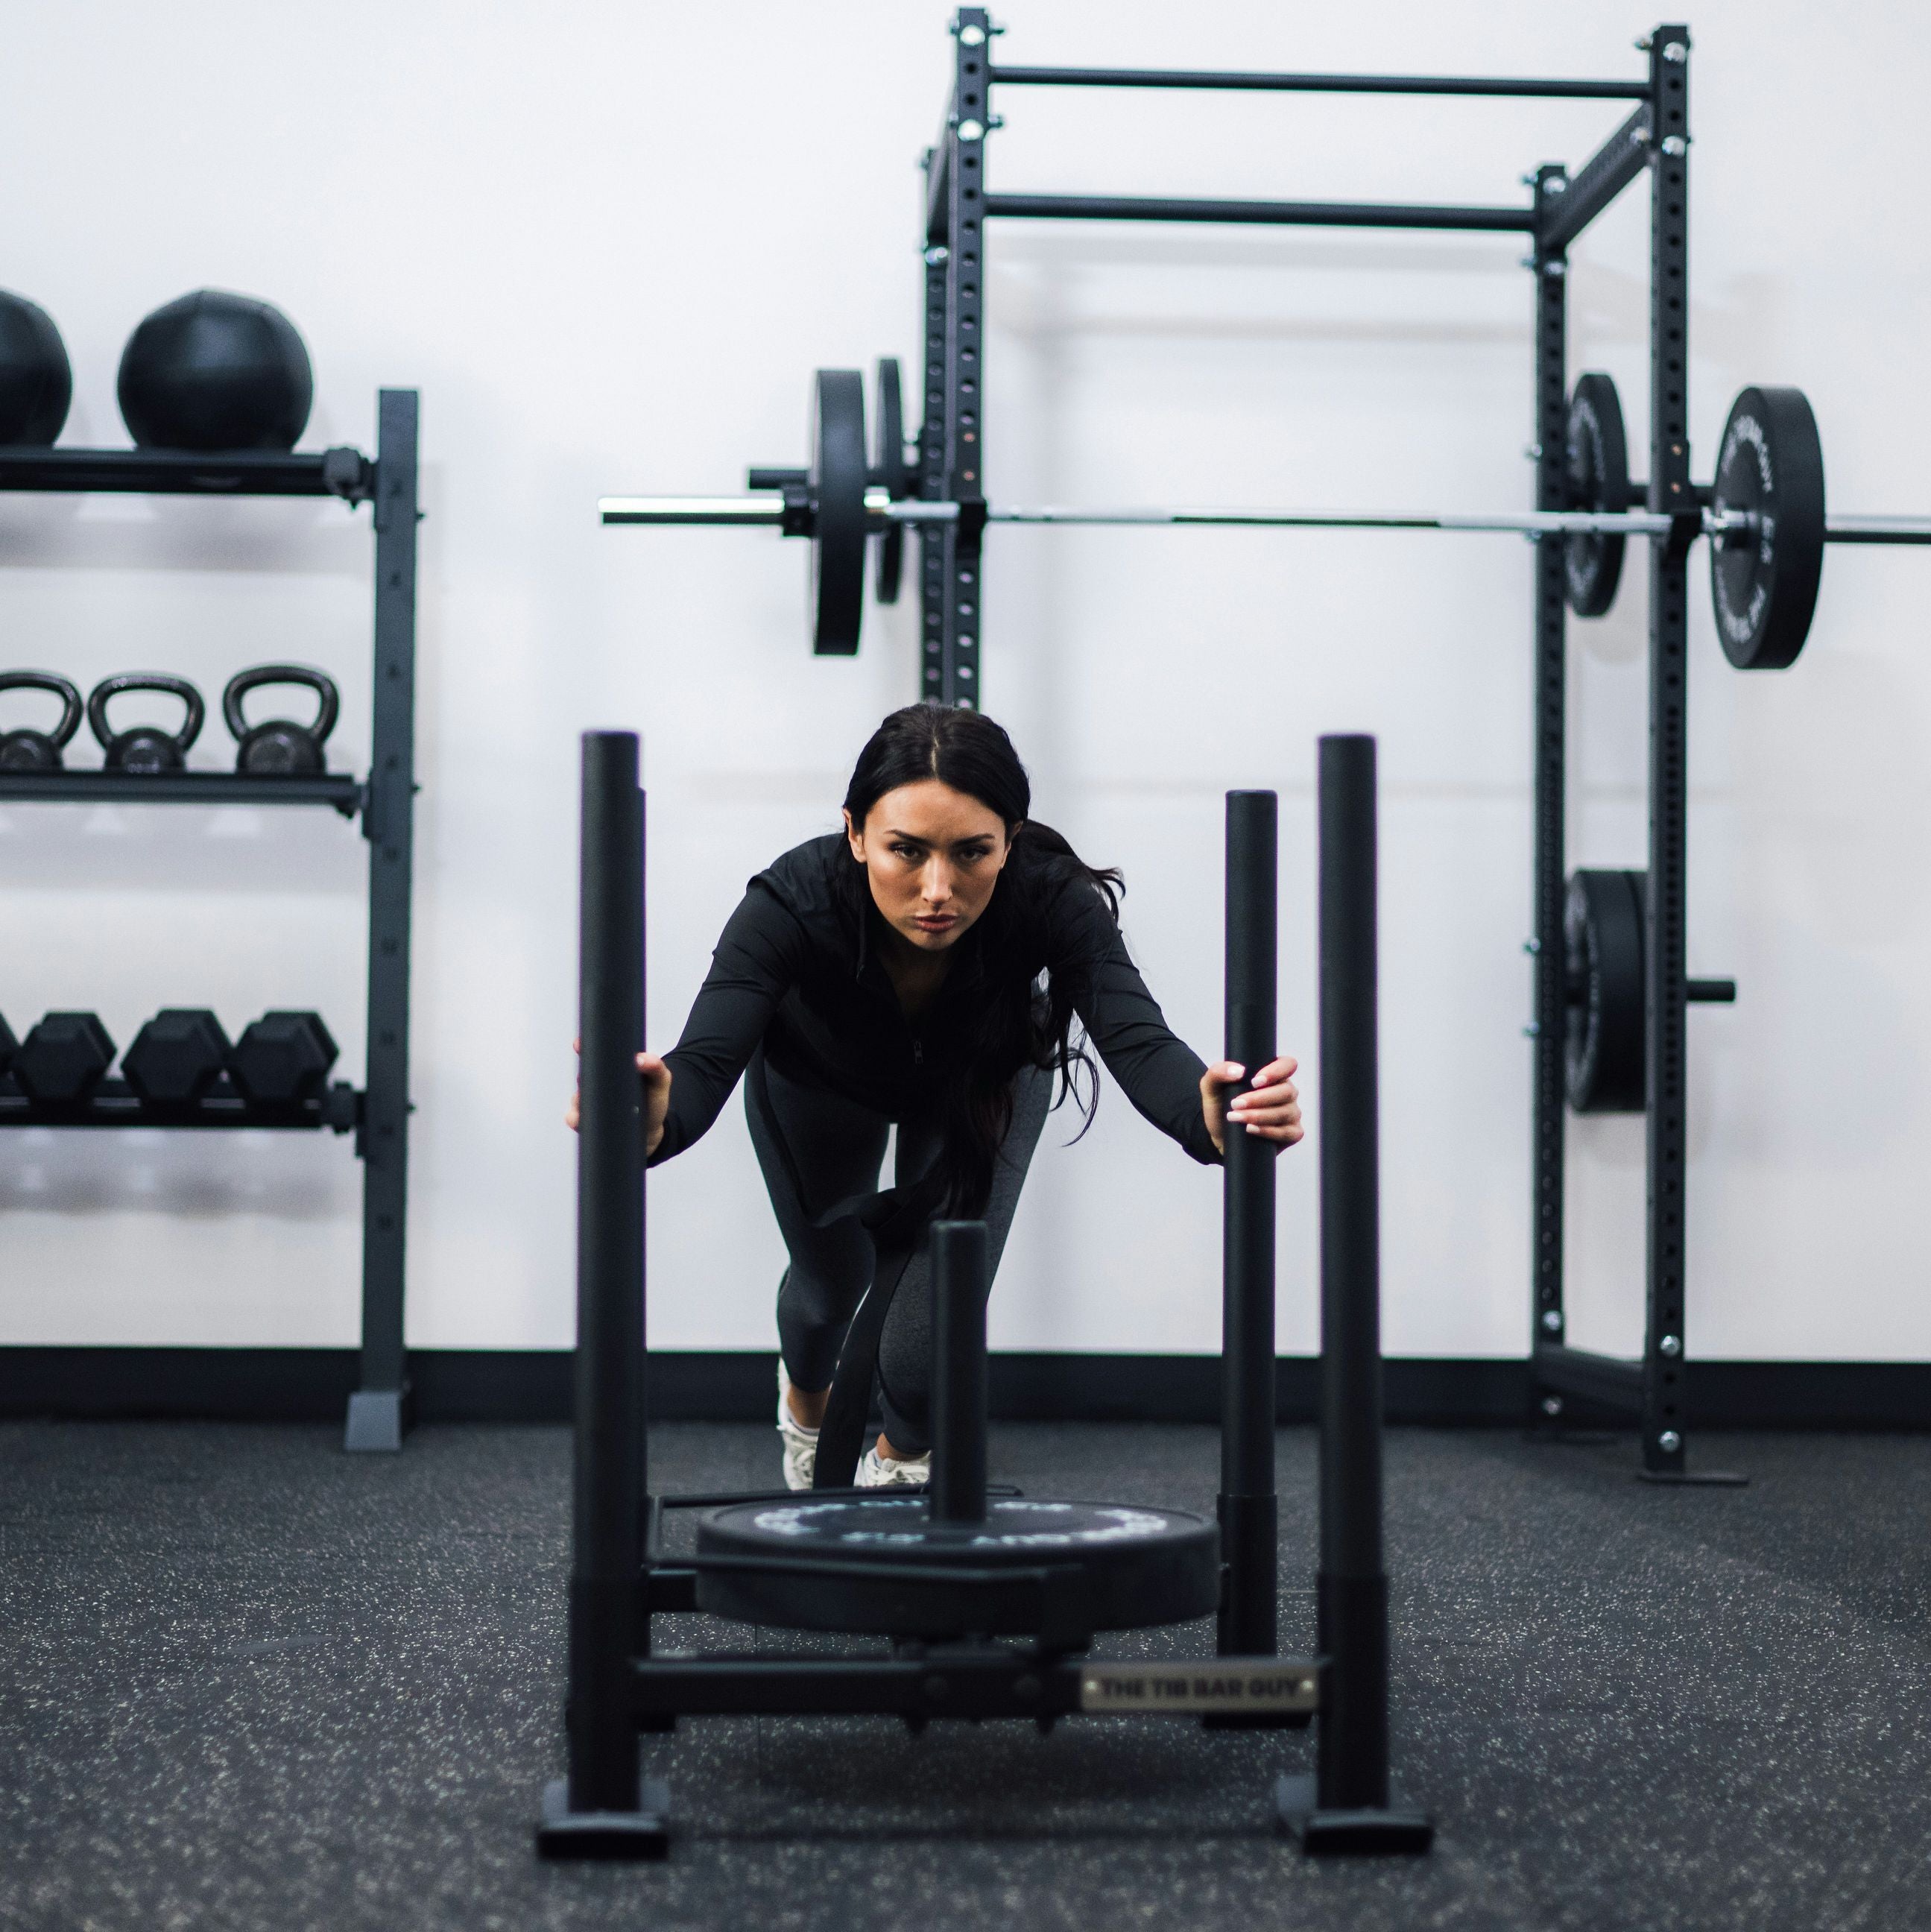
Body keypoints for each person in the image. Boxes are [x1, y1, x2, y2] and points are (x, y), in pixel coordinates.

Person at [567, 703, 1300, 1490]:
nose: (937, 889)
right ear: (855, 834)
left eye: (972, 853)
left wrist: (1209, 1112)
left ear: (1009, 842)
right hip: (819, 1081)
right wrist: (656, 1117)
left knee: (919, 1354)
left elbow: (1139, 1040)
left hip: (978, 1082)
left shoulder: (1048, 899)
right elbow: (704, 1059)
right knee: (825, 1293)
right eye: (904, 852)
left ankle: (900, 1464)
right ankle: (806, 1411)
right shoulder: (791, 901)